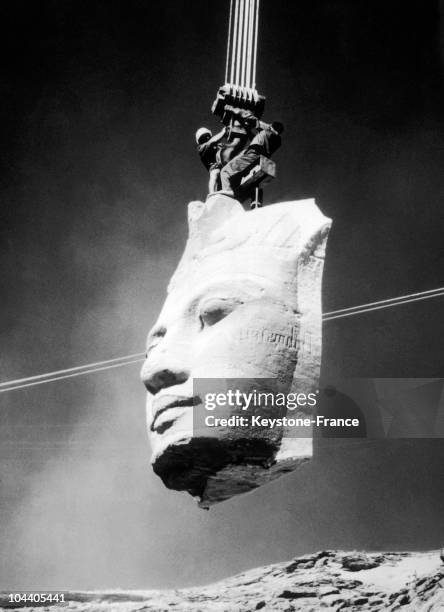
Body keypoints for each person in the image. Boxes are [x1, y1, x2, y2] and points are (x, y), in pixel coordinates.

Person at [220, 121, 284, 193]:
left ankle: (227, 194)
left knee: (225, 172)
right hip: (259, 159)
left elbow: (254, 121)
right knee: (238, 180)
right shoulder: (274, 140)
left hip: (252, 155)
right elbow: (256, 139)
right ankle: (232, 192)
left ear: (271, 126)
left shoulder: (268, 132)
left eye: (269, 125)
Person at [195, 126, 227, 193]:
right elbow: (212, 141)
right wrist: (223, 132)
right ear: (200, 141)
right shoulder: (202, 148)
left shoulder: (217, 145)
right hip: (214, 167)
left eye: (208, 136)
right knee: (214, 174)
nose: (207, 138)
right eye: (204, 137)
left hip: (223, 167)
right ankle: (212, 193)